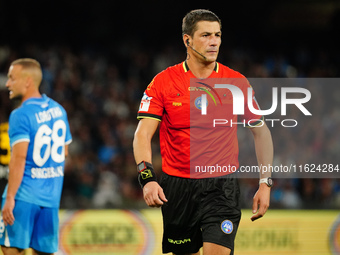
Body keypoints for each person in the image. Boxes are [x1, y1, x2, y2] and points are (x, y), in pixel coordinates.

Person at [133, 9, 273, 255]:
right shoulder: (163, 82)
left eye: (217, 35)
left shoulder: (236, 82)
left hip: (221, 187)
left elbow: (261, 132)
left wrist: (265, 183)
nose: (214, 41)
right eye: (206, 35)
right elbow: (142, 135)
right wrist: (148, 179)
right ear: (187, 40)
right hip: (177, 187)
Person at [0, 58, 72, 255]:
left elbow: (19, 159)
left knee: (11, 250)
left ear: (28, 81)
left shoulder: (20, 115)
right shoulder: (59, 110)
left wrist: (10, 198)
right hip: (50, 200)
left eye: (11, 78)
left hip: (22, 196)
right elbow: (64, 153)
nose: (7, 84)